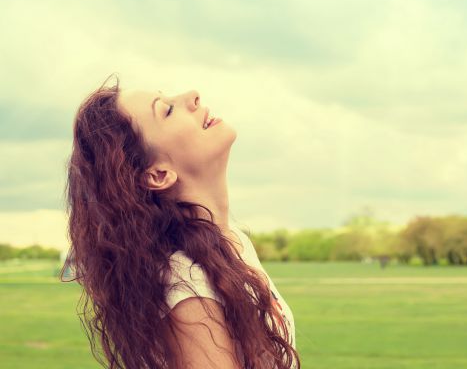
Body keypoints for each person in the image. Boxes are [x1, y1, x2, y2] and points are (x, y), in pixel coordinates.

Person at [60, 74, 300, 369]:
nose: (193, 95)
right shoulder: (188, 288)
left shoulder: (231, 240)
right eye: (167, 110)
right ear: (159, 174)